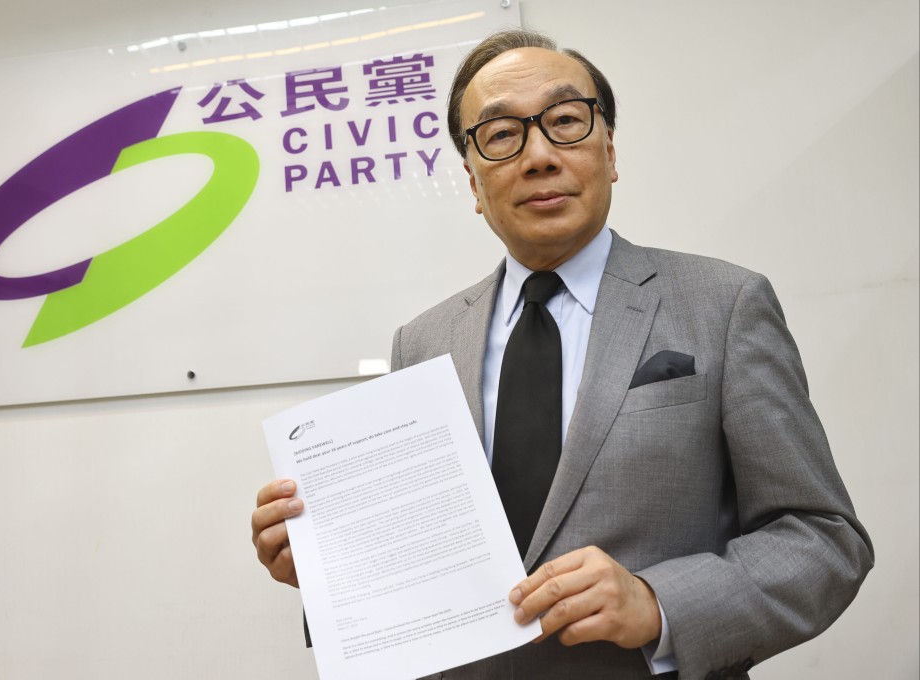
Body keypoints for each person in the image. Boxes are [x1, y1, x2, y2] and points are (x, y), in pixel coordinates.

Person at [251, 28, 873, 680]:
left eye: (566, 121)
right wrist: (331, 567)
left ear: (609, 150)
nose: (540, 155)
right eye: (500, 135)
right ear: (472, 180)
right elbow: (421, 562)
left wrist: (661, 604)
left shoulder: (724, 304)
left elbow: (822, 539)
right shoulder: (424, 341)